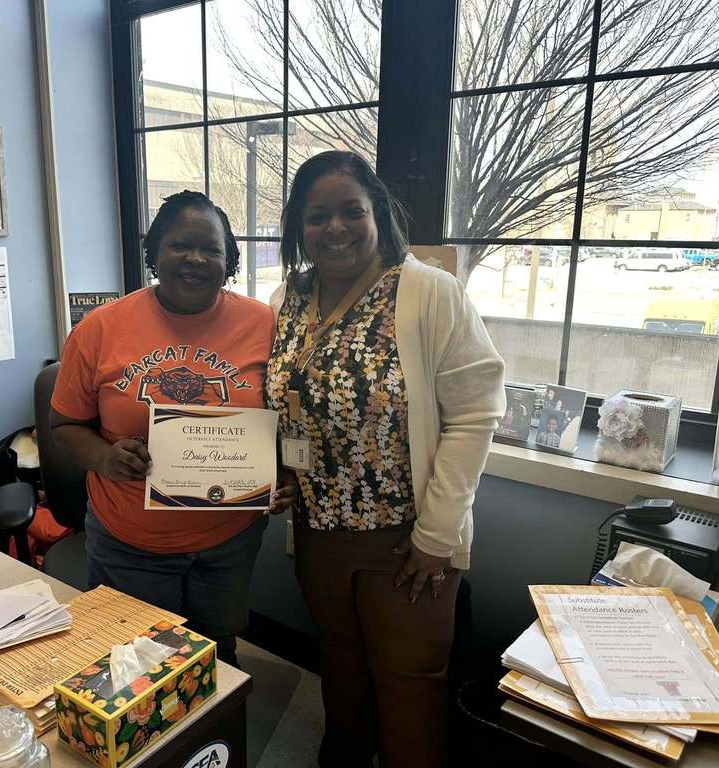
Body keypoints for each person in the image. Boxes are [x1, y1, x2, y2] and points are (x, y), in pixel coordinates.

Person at [266, 151, 505, 767]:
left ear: (378, 216)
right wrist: (274, 472)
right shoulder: (286, 297)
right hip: (318, 535)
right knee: (341, 670)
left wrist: (437, 535)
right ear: (298, 226)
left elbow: (476, 413)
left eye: (352, 212)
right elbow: (283, 405)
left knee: (409, 688)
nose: (336, 229)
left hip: (407, 543)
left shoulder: (428, 292)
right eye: (318, 216)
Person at [49, 190, 296, 665]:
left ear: (230, 260)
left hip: (228, 541)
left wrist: (280, 475)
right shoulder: (100, 329)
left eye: (211, 249)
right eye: (180, 245)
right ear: (155, 251)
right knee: (132, 670)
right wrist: (104, 457)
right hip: (129, 542)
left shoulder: (264, 323)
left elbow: (284, 415)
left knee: (217, 658)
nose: (195, 259)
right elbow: (64, 424)